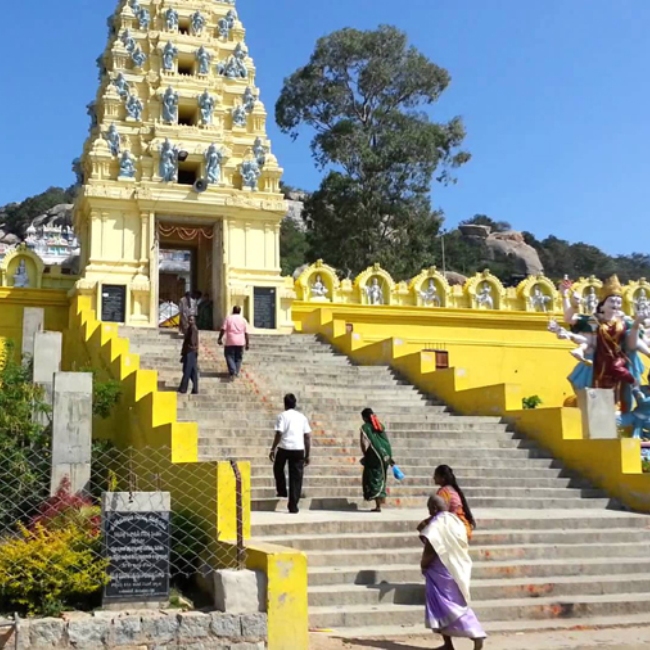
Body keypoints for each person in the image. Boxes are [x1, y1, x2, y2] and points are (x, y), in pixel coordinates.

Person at [418, 495, 486, 650]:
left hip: (440, 571)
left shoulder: (436, 525)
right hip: (456, 568)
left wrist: (423, 564)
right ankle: (447, 644)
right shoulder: (455, 521)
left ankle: (476, 633)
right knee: (441, 606)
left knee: (451, 606)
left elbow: (431, 549)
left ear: (434, 508)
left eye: (429, 508)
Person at [269, 393, 311, 514]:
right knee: (296, 478)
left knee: (278, 468)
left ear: (285, 403)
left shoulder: (282, 416)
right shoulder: (302, 417)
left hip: (284, 447)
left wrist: (273, 448)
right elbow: (307, 436)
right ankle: (293, 505)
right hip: (298, 449)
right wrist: (307, 454)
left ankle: (282, 490)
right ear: (295, 404)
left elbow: (279, 433)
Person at [360, 408, 394, 513]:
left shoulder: (365, 427)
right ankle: (379, 504)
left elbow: (363, 442)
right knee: (381, 476)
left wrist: (365, 454)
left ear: (364, 417)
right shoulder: (380, 425)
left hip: (375, 454)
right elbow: (385, 440)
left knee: (372, 476)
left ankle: (378, 505)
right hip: (386, 453)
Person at [433, 465, 476, 541]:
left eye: (436, 475)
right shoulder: (454, 490)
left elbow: (442, 514)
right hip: (464, 527)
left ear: (442, 478)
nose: (433, 478)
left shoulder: (443, 492)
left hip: (455, 529)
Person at [218, 306, 250, 379]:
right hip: (241, 341)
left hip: (230, 340)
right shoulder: (243, 320)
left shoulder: (229, 318)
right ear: (240, 311)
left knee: (229, 355)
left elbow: (223, 329)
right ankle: (236, 371)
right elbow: (246, 333)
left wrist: (219, 338)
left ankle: (233, 371)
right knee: (238, 358)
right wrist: (247, 343)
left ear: (233, 311)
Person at [178, 316, 199, 395]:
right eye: (189, 320)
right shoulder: (190, 328)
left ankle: (183, 388)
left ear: (194, 321)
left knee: (187, 370)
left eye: (192, 320)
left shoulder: (193, 328)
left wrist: (191, 349)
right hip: (190, 351)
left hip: (190, 351)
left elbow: (192, 341)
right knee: (193, 371)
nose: (190, 321)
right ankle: (195, 388)